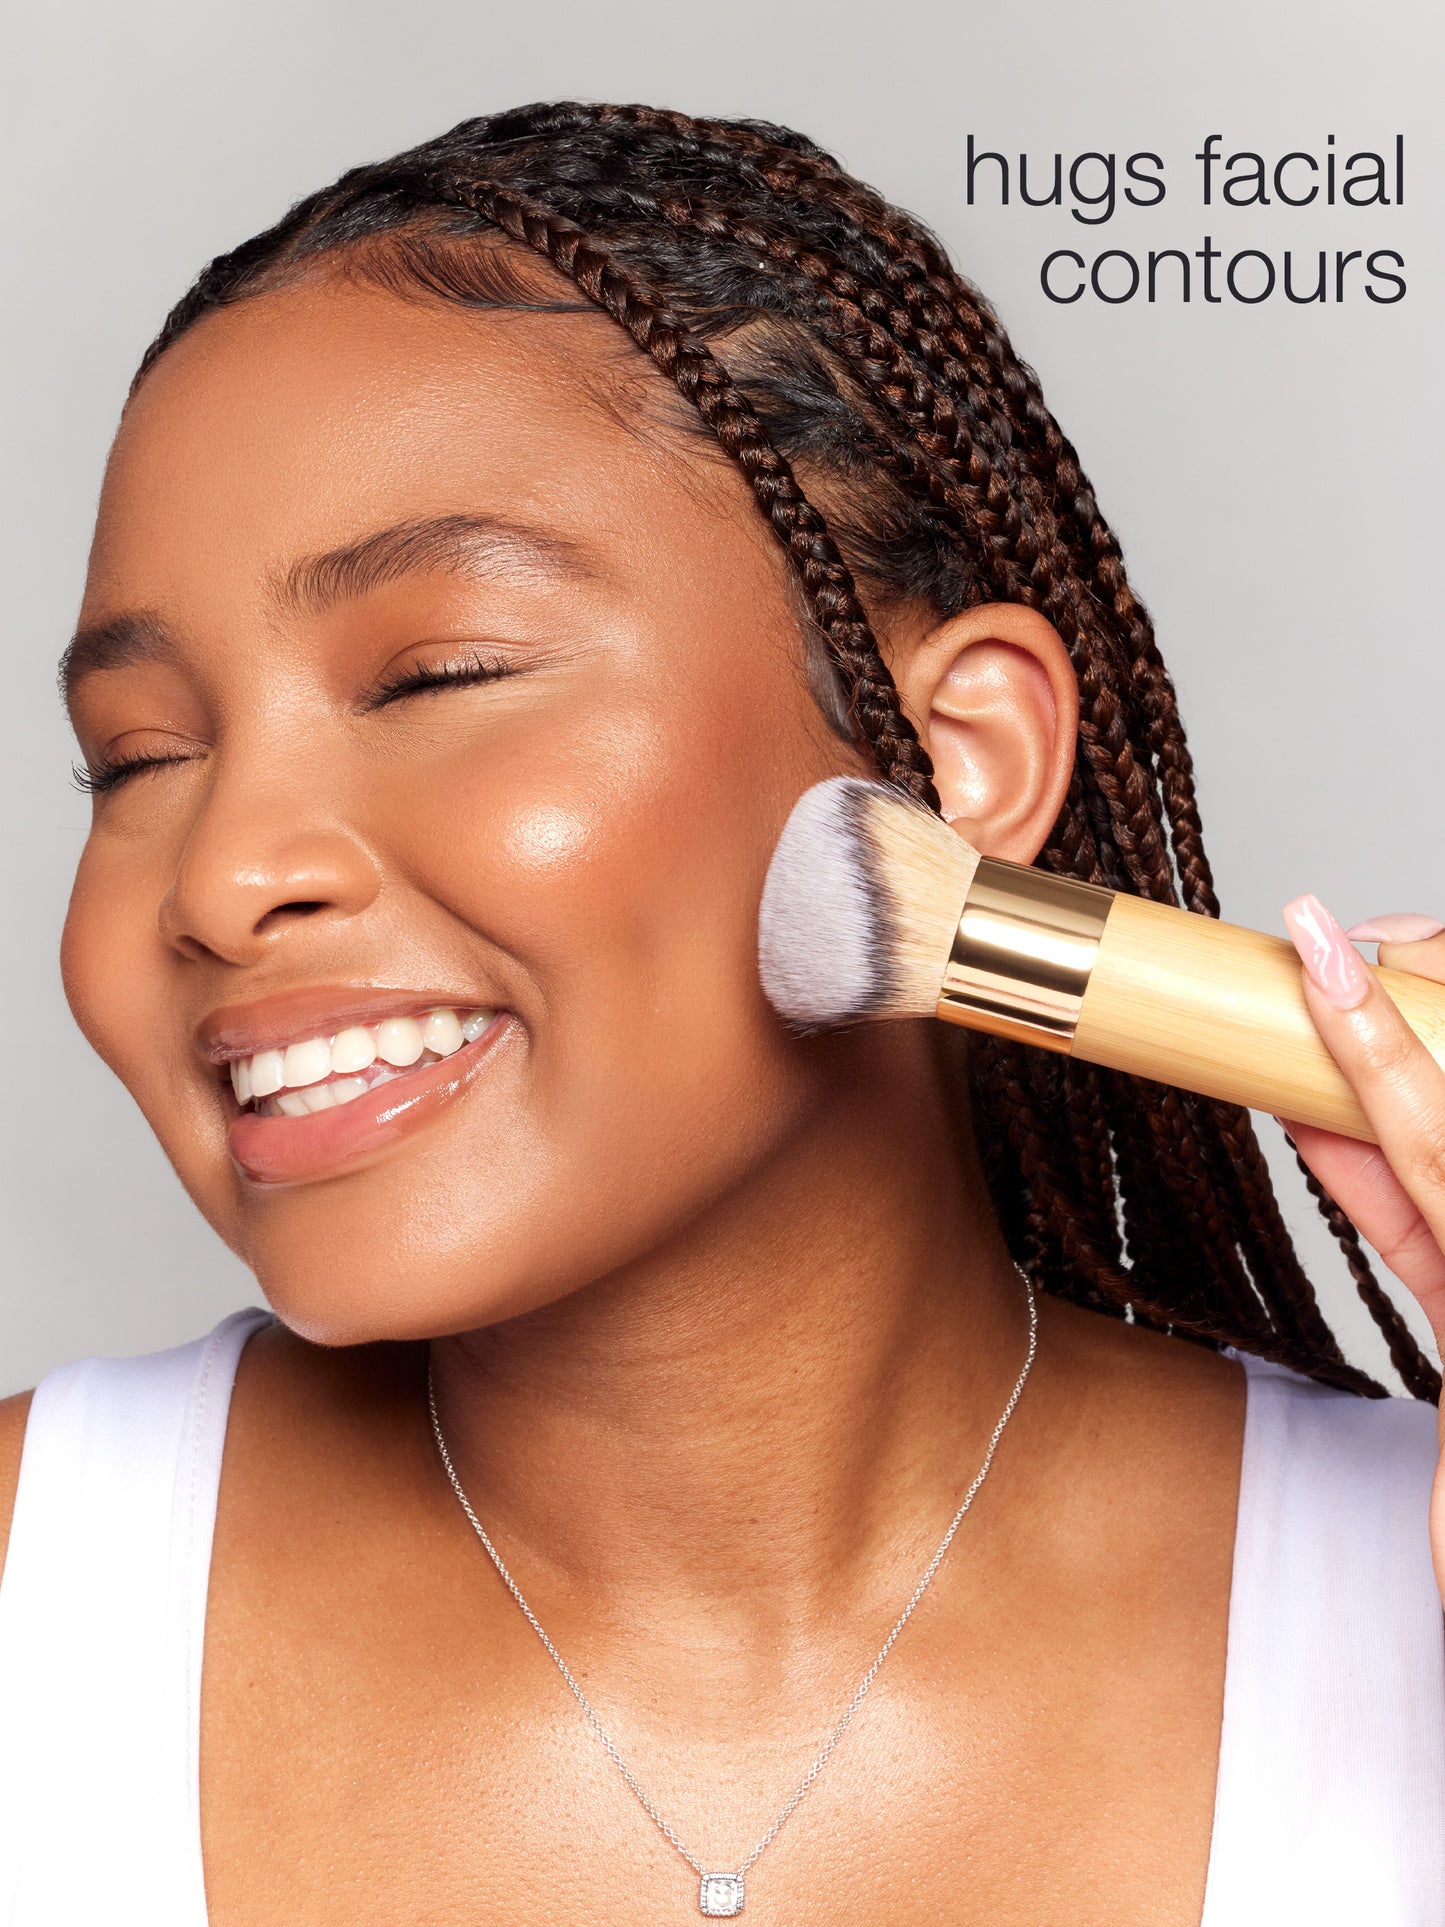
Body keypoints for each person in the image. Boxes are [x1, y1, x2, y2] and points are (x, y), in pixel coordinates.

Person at [1, 103, 1442, 1925]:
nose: (217, 879)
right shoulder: (26, 1601)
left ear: (954, 758)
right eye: (138, 759)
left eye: (437, 673)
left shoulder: (1410, 1588)